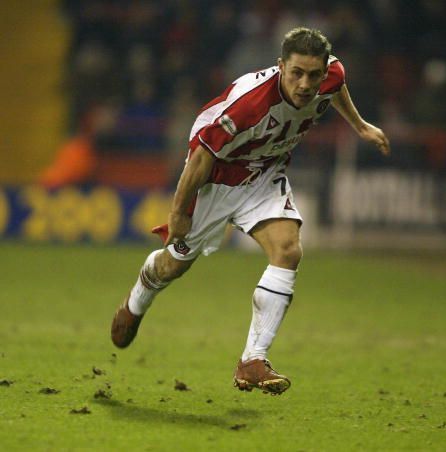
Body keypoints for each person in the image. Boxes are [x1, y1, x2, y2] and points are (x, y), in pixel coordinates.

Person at [111, 27, 390, 395]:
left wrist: (360, 126)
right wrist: (179, 212)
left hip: (264, 172)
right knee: (175, 264)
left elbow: (336, 87)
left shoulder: (331, 75)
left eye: (313, 75)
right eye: (296, 73)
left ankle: (252, 361)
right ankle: (139, 296)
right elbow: (200, 158)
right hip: (217, 176)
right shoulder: (250, 104)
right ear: (280, 67)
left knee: (288, 250)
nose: (305, 84)